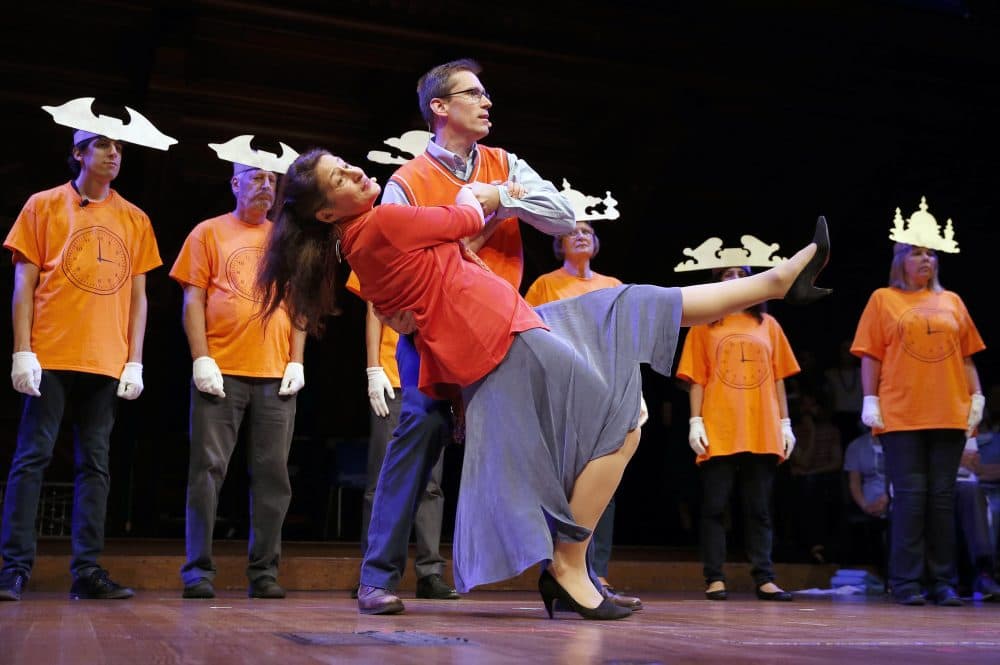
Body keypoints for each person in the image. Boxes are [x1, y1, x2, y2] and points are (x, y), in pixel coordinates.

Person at [255, 147, 832, 620]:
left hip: (507, 326)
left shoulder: (360, 242)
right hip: (496, 338)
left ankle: (778, 281)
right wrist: (484, 195)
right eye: (340, 177)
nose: (356, 171)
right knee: (625, 420)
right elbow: (466, 219)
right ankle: (568, 564)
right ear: (327, 212)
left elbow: (427, 293)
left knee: (634, 305)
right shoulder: (382, 219)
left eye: (346, 165)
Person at [348, 58, 577, 614]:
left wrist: (500, 198)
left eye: (486, 93)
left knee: (544, 452)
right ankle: (376, 577)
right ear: (440, 108)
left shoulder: (504, 163)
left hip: (503, 330)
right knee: (417, 440)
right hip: (435, 333)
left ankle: (573, 578)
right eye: (473, 94)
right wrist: (404, 315)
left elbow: (565, 215)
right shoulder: (406, 182)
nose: (487, 102)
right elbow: (389, 263)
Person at [0, 98, 172, 601]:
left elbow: (140, 299)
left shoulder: (135, 218)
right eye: (102, 145)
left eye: (118, 146)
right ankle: (13, 567)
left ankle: (88, 570)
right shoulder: (43, 204)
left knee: (96, 462)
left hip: (105, 358)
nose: (113, 154)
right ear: (78, 153)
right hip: (49, 353)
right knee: (32, 457)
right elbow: (22, 285)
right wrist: (20, 351)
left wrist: (135, 358)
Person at [170, 139, 306, 600]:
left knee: (273, 475)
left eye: (272, 179)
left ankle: (265, 572)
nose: (266, 185)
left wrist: (297, 361)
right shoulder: (208, 232)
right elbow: (193, 299)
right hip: (222, 371)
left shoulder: (286, 238)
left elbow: (300, 305)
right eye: (256, 177)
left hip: (274, 375)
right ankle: (197, 571)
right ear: (234, 183)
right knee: (207, 470)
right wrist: (201, 357)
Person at [851, 204, 986, 606]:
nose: (924, 259)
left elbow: (966, 358)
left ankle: (942, 582)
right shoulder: (883, 300)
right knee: (910, 497)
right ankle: (907, 583)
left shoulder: (953, 302)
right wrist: (870, 399)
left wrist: (976, 400)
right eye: (916, 252)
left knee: (942, 499)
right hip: (902, 412)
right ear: (901, 260)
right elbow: (870, 355)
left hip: (948, 410)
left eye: (929, 253)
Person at [524, 217, 643, 610]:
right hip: (564, 390)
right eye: (572, 231)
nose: (580, 234)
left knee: (602, 486)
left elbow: (626, 340)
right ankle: (561, 571)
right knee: (562, 484)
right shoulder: (545, 284)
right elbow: (533, 332)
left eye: (588, 231)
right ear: (560, 243)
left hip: (604, 391)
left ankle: (597, 576)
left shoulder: (612, 286)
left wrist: (634, 393)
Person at [676, 265, 800, 602]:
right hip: (720, 425)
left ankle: (765, 577)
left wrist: (785, 423)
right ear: (717, 284)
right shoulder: (705, 325)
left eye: (741, 273)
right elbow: (696, 378)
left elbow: (779, 378)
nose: (735, 278)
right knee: (715, 506)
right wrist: (695, 421)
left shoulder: (768, 325)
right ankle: (714, 577)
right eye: (727, 274)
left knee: (758, 507)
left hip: (761, 426)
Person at [344, 273, 455, 601]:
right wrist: (373, 368)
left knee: (431, 483)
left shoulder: (439, 251)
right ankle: (373, 572)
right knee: (382, 478)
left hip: (430, 378)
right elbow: (372, 310)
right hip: (392, 379)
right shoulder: (382, 245)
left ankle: (430, 571)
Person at [842, 430, 889, 578]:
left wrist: (887, 497)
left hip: (896, 495)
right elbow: (854, 483)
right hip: (869, 499)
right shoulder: (857, 446)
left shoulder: (900, 443)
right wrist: (865, 506)